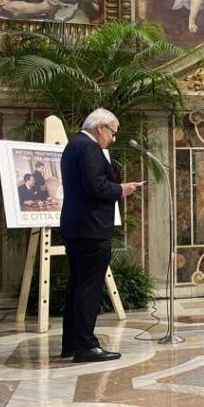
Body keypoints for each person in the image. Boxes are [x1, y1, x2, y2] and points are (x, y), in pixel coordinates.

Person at [59, 108, 143, 363]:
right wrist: (121, 189)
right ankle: (86, 346)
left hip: (75, 227)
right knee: (88, 288)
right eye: (113, 133)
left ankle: (72, 343)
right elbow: (95, 186)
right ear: (101, 128)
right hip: (91, 229)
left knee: (77, 286)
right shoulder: (89, 148)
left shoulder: (73, 144)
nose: (113, 139)